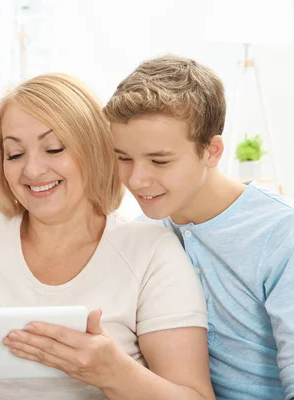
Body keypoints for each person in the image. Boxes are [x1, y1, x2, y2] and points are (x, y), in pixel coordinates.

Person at [0, 73, 215, 400]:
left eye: (54, 148)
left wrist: (115, 374)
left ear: (93, 148)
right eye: (14, 154)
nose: (32, 171)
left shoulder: (151, 251)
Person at [104, 55, 294, 400]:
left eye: (159, 161)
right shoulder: (143, 232)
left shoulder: (282, 235)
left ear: (212, 151)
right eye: (123, 158)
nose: (136, 179)